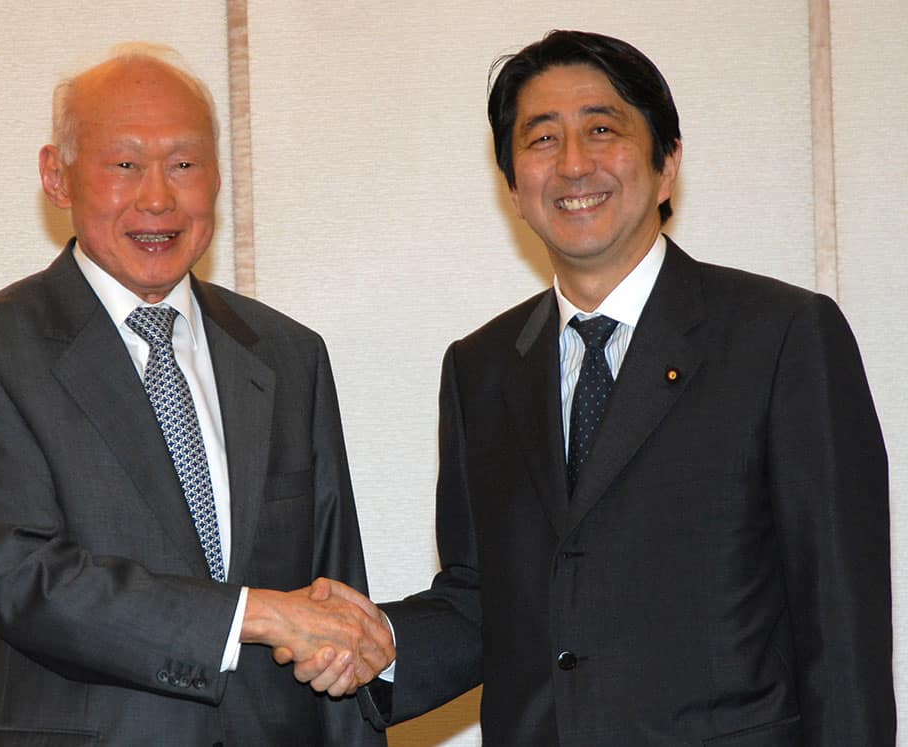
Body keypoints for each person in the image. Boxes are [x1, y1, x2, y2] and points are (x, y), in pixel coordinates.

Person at [307, 29, 895, 745]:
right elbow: (484, 602)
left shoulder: (782, 337)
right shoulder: (481, 368)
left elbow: (841, 620)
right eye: (543, 139)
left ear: (667, 161)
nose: (574, 164)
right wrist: (380, 643)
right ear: (514, 187)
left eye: (602, 129)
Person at [0, 43, 392, 745]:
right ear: (57, 175)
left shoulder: (290, 355)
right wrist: (254, 613)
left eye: (184, 164)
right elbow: (27, 582)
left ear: (219, 178)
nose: (158, 197)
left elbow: (335, 613)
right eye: (125, 164)